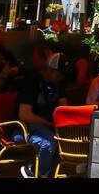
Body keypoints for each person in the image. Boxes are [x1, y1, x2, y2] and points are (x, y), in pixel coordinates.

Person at [13, 45, 64, 176]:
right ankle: (38, 174)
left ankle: (37, 171)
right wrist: (48, 123)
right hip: (24, 128)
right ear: (51, 70)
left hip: (47, 128)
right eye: (59, 74)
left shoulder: (57, 84)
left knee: (65, 143)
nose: (61, 78)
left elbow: (65, 108)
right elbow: (24, 114)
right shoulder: (32, 82)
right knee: (48, 143)